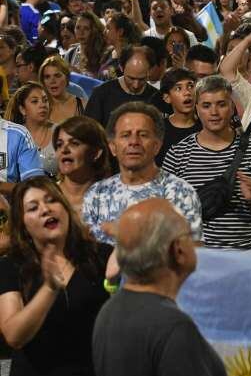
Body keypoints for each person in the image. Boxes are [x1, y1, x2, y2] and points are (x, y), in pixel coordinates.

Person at [92, 198, 251, 376]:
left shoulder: (109, 312)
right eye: (188, 235)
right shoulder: (171, 326)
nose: (194, 243)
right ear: (178, 250)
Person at [0, 176, 112, 376]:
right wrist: (50, 289)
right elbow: (14, 334)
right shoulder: (10, 267)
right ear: (22, 225)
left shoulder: (101, 257)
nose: (45, 209)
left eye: (52, 201)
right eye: (33, 207)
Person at [163, 76, 251, 249]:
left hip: (246, 256)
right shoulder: (177, 153)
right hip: (198, 260)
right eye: (206, 106)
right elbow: (166, 214)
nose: (214, 112)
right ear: (197, 109)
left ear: (232, 108)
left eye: (221, 104)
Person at [82, 102, 202, 245]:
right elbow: (86, 253)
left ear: (157, 145)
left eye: (143, 135)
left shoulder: (181, 192)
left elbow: (192, 256)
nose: (134, 142)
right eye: (126, 135)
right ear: (113, 147)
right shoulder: (96, 194)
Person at [83, 45, 159, 128]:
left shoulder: (156, 97)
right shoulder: (101, 94)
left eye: (141, 79)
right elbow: (89, 132)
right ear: (121, 67)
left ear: (151, 71)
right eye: (131, 78)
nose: (136, 85)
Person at [54, 116, 111, 217]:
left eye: (74, 143)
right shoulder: (45, 195)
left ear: (96, 153)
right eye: (59, 144)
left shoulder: (112, 198)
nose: (64, 150)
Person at [5, 83, 57, 176]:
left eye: (45, 100)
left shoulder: (60, 132)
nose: (43, 105)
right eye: (35, 101)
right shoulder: (14, 136)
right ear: (22, 109)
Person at [156, 67, 202, 166]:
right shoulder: (158, 130)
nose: (187, 93)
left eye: (190, 86)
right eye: (178, 88)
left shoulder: (206, 127)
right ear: (167, 98)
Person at [39, 56, 86, 124]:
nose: (52, 81)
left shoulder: (83, 105)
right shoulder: (39, 108)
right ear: (43, 81)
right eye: (47, 77)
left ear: (67, 78)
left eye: (57, 76)